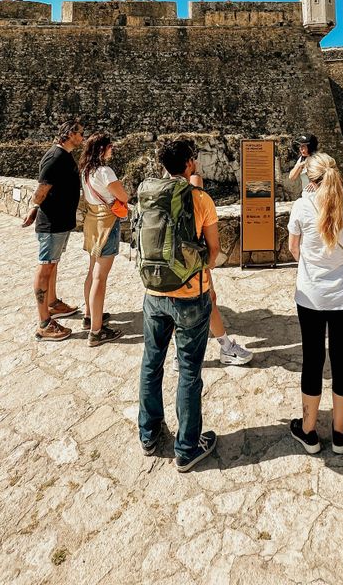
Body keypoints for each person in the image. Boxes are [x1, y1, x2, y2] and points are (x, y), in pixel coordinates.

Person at [137, 138, 220, 472]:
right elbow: (213, 252)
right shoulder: (199, 198)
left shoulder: (148, 195)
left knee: (151, 362)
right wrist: (196, 268)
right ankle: (186, 448)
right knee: (188, 371)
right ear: (189, 164)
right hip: (189, 295)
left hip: (154, 292)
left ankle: (148, 433)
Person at [287, 151, 343, 456]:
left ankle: (308, 431)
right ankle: (340, 431)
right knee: (342, 360)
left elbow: (294, 249)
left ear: (310, 178)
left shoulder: (302, 206)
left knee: (313, 359)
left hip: (312, 295)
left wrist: (312, 265)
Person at [186, 144, 252, 366]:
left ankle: (179, 355)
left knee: (176, 305)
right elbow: (213, 245)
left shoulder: (158, 191)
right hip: (193, 258)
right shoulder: (195, 189)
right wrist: (210, 262)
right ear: (189, 163)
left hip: (165, 262)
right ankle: (226, 347)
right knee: (209, 299)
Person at [22, 119, 83, 342]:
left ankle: (53, 303)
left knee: (53, 263)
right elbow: (41, 190)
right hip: (52, 223)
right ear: (69, 134)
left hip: (60, 222)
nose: (82, 137)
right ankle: (44, 324)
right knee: (45, 267)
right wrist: (34, 207)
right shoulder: (55, 157)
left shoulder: (64, 156)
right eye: (79, 133)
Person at [79, 131, 129, 347]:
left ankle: (89, 316)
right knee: (100, 277)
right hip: (107, 223)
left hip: (92, 222)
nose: (112, 149)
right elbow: (123, 196)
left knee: (92, 271)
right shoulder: (105, 171)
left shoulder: (86, 170)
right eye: (110, 146)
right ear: (101, 149)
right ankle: (96, 332)